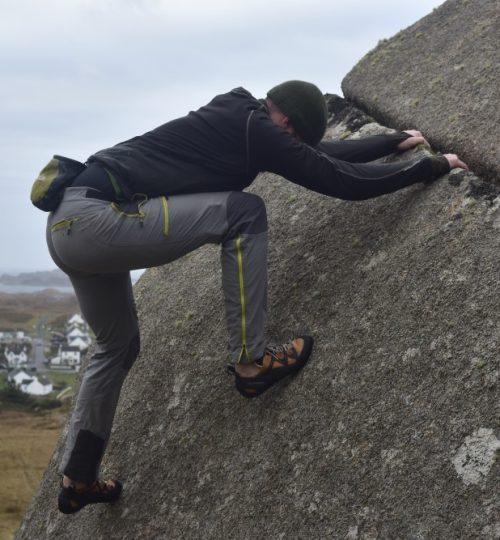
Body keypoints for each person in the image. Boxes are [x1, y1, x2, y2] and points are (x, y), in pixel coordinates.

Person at [46, 81, 467, 513]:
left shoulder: (245, 119)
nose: (295, 147)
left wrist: (391, 142)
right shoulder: (257, 129)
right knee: (245, 212)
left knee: (116, 346)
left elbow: (317, 159)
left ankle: (77, 479)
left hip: (67, 224)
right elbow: (337, 180)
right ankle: (252, 361)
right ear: (285, 121)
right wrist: (427, 168)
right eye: (297, 138)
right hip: (99, 220)